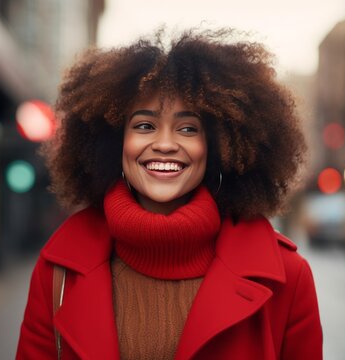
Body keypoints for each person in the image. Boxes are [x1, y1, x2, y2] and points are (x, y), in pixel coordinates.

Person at [16, 29, 322, 360]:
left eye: (188, 128)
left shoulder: (288, 278)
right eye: (144, 126)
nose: (164, 144)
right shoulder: (58, 271)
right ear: (114, 143)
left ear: (220, 147)